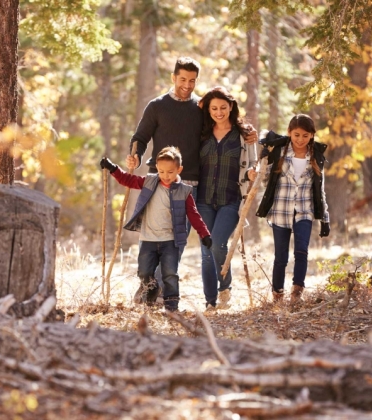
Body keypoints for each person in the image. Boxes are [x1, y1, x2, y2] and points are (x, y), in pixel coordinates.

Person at [128, 57, 257, 303]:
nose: (187, 85)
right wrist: (134, 155)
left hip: (192, 187)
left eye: (192, 81)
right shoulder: (157, 106)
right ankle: (149, 286)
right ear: (174, 77)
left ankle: (157, 289)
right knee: (158, 238)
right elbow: (141, 137)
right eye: (183, 79)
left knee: (178, 241)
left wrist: (248, 132)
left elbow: (224, 125)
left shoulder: (200, 107)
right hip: (161, 182)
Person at [100, 146, 212, 312]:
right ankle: (151, 291)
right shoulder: (150, 182)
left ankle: (172, 307)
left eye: (170, 172)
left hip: (170, 241)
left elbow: (193, 214)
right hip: (148, 239)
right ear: (156, 169)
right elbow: (128, 180)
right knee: (144, 272)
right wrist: (113, 168)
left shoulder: (184, 191)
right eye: (161, 171)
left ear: (179, 169)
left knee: (170, 274)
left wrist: (204, 233)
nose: (165, 176)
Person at [249, 114, 330, 306]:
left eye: (305, 135)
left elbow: (320, 190)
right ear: (289, 133)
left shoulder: (315, 157)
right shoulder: (280, 152)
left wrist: (325, 219)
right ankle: (277, 294)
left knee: (301, 251)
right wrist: (253, 172)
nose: (300, 139)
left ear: (311, 135)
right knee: (281, 256)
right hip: (281, 210)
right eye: (296, 135)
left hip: (304, 210)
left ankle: (297, 291)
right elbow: (264, 175)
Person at [196, 86, 257, 311]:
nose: (219, 112)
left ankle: (225, 287)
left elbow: (254, 163)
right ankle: (210, 301)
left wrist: (253, 172)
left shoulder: (244, 135)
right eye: (214, 108)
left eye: (223, 107)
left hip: (231, 199)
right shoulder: (201, 132)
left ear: (231, 107)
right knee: (205, 249)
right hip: (203, 199)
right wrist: (204, 101)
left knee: (218, 243)